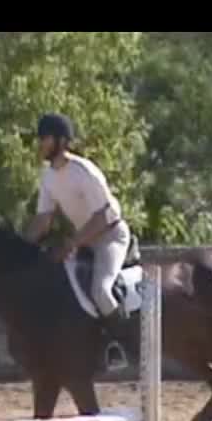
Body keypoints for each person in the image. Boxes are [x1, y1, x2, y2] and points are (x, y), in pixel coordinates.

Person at [23, 113, 132, 370]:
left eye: (44, 139)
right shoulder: (48, 176)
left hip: (110, 235)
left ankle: (122, 345)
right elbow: (43, 220)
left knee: (101, 291)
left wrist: (71, 244)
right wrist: (20, 247)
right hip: (85, 238)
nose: (40, 144)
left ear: (61, 141)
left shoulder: (84, 171)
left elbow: (103, 217)